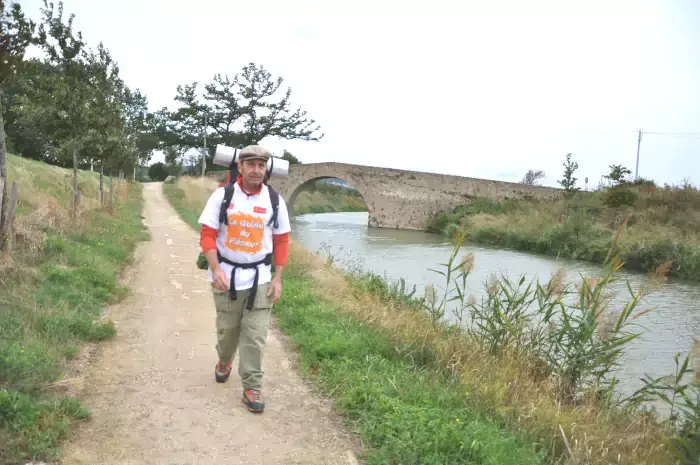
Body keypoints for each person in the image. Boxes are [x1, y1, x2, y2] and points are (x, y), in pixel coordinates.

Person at [197, 145, 291, 413]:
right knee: (228, 333)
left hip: (260, 279)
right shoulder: (223, 196)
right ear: (240, 167)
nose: (256, 170)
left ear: (266, 169)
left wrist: (278, 278)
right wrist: (216, 269)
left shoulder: (274, 201)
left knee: (255, 336)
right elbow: (207, 234)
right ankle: (224, 360)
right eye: (251, 164)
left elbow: (282, 240)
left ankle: (252, 386)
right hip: (226, 276)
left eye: (261, 165)